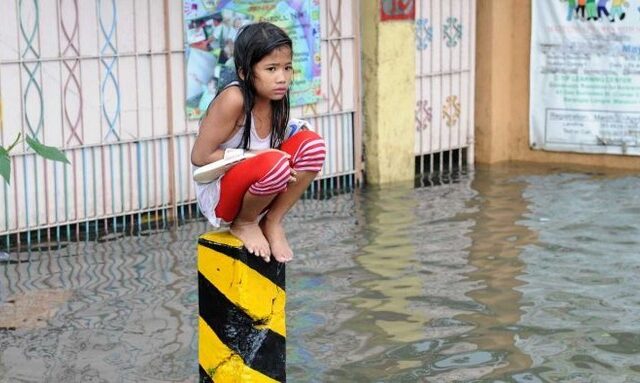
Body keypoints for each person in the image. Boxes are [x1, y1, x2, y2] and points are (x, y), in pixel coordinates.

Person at [191, 22, 326, 263]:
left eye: (287, 68)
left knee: (313, 146)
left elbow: (284, 146)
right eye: (271, 69)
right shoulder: (234, 98)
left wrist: (276, 153)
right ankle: (244, 223)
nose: (282, 78)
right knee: (274, 161)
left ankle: (272, 221)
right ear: (244, 73)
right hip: (224, 196)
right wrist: (255, 157)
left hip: (263, 184)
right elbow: (200, 157)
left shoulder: (275, 99)